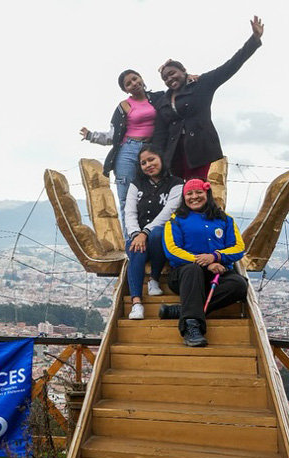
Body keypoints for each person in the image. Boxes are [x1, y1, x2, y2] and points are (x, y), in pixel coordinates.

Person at [152, 16, 264, 181]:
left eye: (172, 73)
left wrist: (254, 39)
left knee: (197, 191)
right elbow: (160, 135)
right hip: (174, 157)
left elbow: (230, 66)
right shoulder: (163, 102)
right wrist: (157, 160)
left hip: (200, 151)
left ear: (183, 71)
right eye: (165, 78)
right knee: (176, 195)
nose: (170, 79)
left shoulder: (201, 85)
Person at [160, 179, 247, 347]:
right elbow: (172, 250)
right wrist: (205, 262)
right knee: (193, 270)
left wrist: (216, 256)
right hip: (185, 275)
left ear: (207, 193)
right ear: (184, 197)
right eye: (189, 194)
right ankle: (191, 327)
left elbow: (238, 247)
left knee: (239, 285)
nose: (194, 197)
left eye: (198, 192)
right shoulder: (176, 220)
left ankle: (184, 310)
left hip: (218, 274)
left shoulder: (225, 219)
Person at [80, 70, 165, 233]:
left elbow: (177, 92)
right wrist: (91, 136)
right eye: (128, 83)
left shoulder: (157, 98)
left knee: (154, 198)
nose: (134, 83)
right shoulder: (123, 106)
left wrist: (189, 77)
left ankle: (152, 240)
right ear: (125, 90)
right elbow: (113, 135)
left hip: (152, 152)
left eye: (135, 78)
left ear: (141, 78)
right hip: (128, 151)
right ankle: (131, 245)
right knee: (127, 199)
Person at [124, 145, 183, 319]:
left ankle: (154, 279)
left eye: (151, 159)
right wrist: (136, 234)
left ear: (161, 159)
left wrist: (146, 233)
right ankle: (136, 303)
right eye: (143, 162)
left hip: (160, 239)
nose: (148, 165)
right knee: (136, 249)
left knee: (158, 233)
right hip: (138, 236)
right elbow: (130, 212)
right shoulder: (136, 184)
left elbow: (169, 212)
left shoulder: (177, 184)